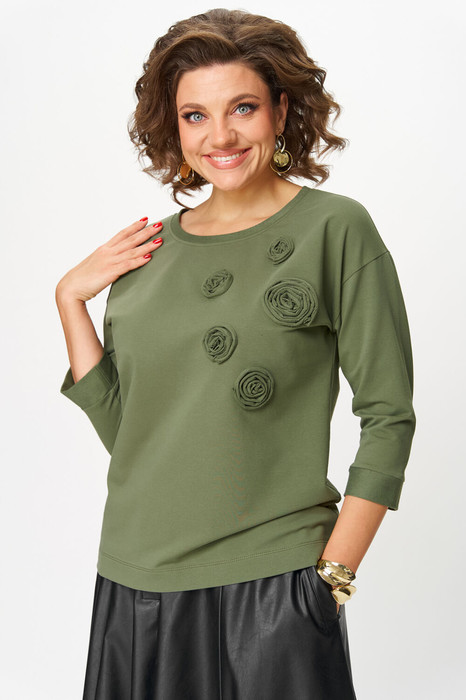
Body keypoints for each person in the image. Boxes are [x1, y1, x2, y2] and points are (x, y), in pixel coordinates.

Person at [56, 8, 416, 700]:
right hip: (135, 582)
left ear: (280, 109)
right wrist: (71, 299)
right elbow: (133, 439)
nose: (219, 137)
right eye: (195, 116)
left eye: (242, 108)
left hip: (274, 585)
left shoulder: (335, 229)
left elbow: (389, 416)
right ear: (173, 126)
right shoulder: (146, 255)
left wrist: (333, 578)